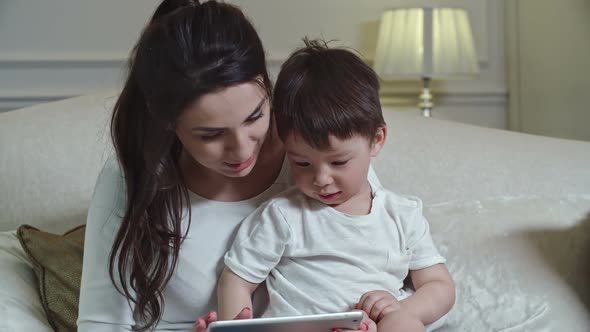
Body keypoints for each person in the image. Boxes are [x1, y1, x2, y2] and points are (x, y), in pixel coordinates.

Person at [77, 1, 380, 331]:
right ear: (168, 124)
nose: (241, 149)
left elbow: (384, 263)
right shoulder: (134, 173)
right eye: (211, 134)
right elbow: (101, 323)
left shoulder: (316, 145)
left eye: (255, 117)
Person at [217, 39, 455, 332]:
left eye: (339, 162)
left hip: (376, 326)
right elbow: (236, 279)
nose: (321, 179)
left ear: (376, 140)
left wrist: (400, 309)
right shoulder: (283, 216)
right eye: (302, 163)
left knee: (403, 324)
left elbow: (439, 285)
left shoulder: (402, 215)